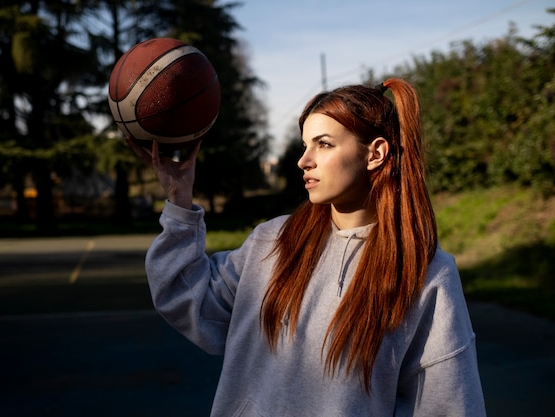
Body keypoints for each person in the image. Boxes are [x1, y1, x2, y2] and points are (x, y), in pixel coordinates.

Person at [127, 78, 487, 416]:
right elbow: (188, 300)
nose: (304, 160)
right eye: (305, 145)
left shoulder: (424, 272)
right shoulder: (273, 242)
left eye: (324, 144)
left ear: (375, 153)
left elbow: (449, 404)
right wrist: (179, 202)